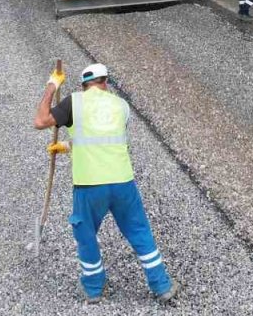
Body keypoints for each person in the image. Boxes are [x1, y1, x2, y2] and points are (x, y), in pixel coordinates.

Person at [33, 63, 180, 305]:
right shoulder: (121, 106)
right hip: (123, 182)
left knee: (86, 234)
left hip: (90, 184)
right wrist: (67, 146)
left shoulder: (74, 102)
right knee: (139, 231)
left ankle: (93, 290)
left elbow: (40, 121)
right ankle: (161, 285)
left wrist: (52, 85)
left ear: (83, 85)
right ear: (105, 82)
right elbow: (103, 139)